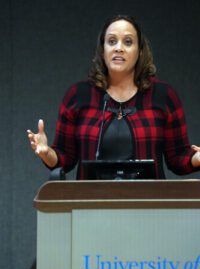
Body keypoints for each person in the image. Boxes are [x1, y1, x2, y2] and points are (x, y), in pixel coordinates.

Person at [27, 15, 200, 179]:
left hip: (148, 205)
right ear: (103, 50)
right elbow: (64, 160)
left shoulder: (163, 95)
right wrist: (46, 153)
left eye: (128, 42)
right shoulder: (78, 95)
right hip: (91, 205)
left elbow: (178, 159)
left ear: (140, 52)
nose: (119, 48)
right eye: (111, 41)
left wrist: (198, 158)